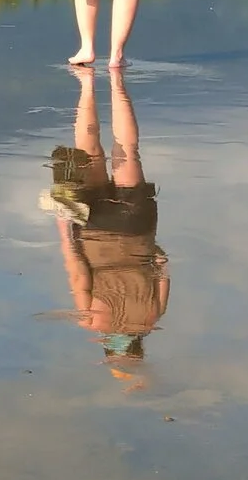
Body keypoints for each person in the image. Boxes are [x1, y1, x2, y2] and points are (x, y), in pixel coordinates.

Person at [48, 68, 170, 379]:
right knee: (89, 156)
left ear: (139, 346)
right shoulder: (91, 321)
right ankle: (87, 86)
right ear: (106, 346)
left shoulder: (154, 317)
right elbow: (76, 270)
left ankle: (116, 83)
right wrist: (64, 225)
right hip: (95, 232)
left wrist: (147, 246)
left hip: (137, 226)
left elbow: (162, 265)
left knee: (127, 153)